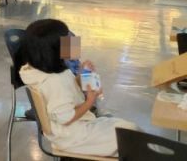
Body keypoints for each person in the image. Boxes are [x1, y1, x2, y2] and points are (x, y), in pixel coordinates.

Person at [19, 19, 136, 157]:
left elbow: (64, 92)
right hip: (73, 137)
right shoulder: (56, 80)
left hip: (67, 131)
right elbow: (65, 117)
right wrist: (89, 101)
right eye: (66, 40)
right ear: (54, 49)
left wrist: (80, 76)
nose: (71, 43)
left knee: (127, 129)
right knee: (131, 137)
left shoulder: (36, 70)